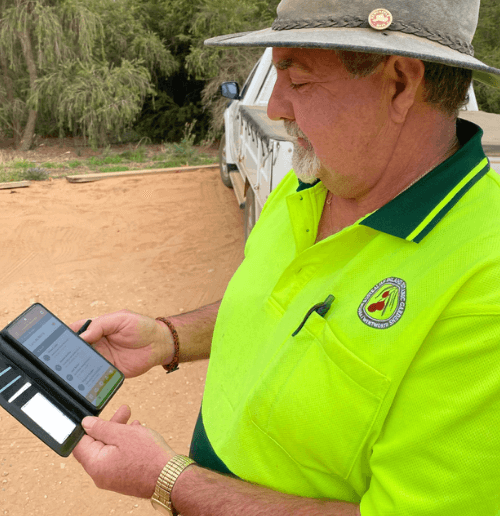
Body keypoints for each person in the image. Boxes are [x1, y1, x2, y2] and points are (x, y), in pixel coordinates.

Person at [71, 1, 500, 515]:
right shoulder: (315, 178)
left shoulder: (484, 288)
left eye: (297, 82)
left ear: (402, 82)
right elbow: (286, 305)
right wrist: (169, 337)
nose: (274, 108)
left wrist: (170, 480)